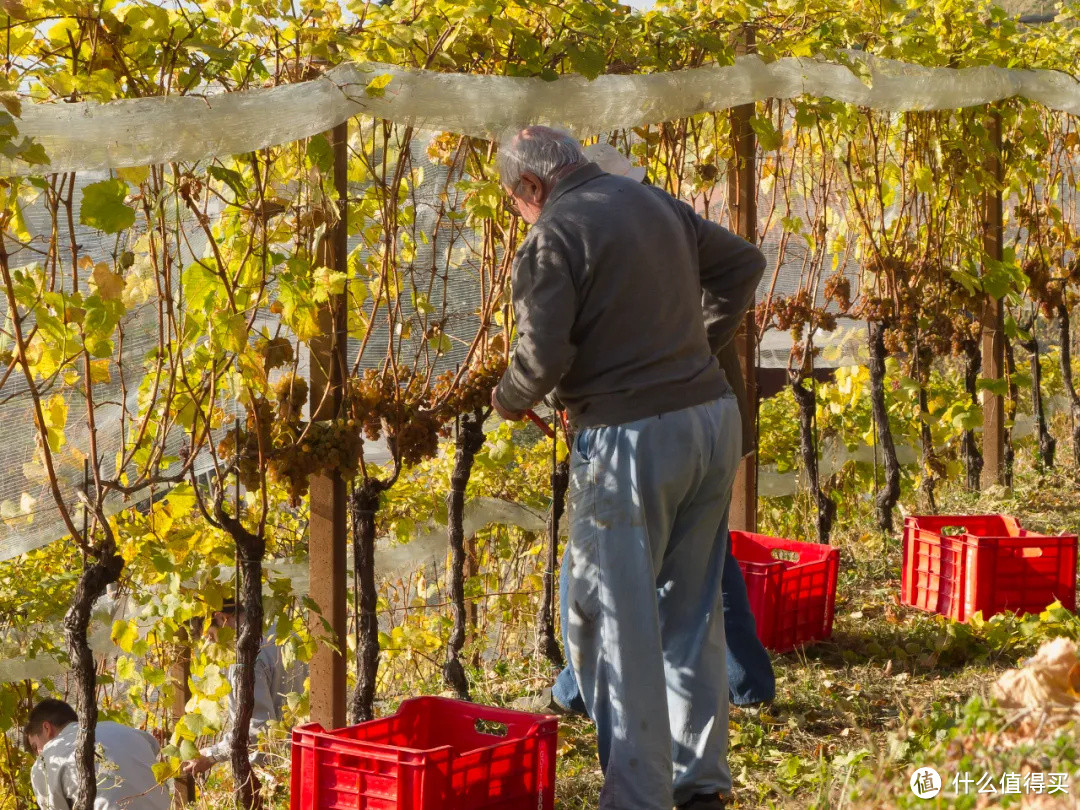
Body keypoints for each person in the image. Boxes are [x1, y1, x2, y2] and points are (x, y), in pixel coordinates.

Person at [491, 126, 766, 810]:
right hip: (710, 421)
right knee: (691, 607)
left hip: (630, 438)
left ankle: (639, 798)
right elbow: (743, 264)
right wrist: (697, 343)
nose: (521, 215)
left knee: (612, 618)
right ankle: (699, 783)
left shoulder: (554, 235)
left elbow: (542, 355)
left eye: (515, 203)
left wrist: (507, 398)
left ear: (530, 186)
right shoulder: (653, 203)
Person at [180, 601, 304, 776]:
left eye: (210, 635)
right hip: (307, 753)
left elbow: (255, 732)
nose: (211, 643)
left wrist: (211, 755)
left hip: (275, 770)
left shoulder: (244, 660)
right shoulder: (282, 632)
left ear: (221, 618)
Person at [26, 698, 170, 810]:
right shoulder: (121, 729)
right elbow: (153, 744)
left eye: (35, 746)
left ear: (47, 728)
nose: (38, 754)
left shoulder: (46, 761)